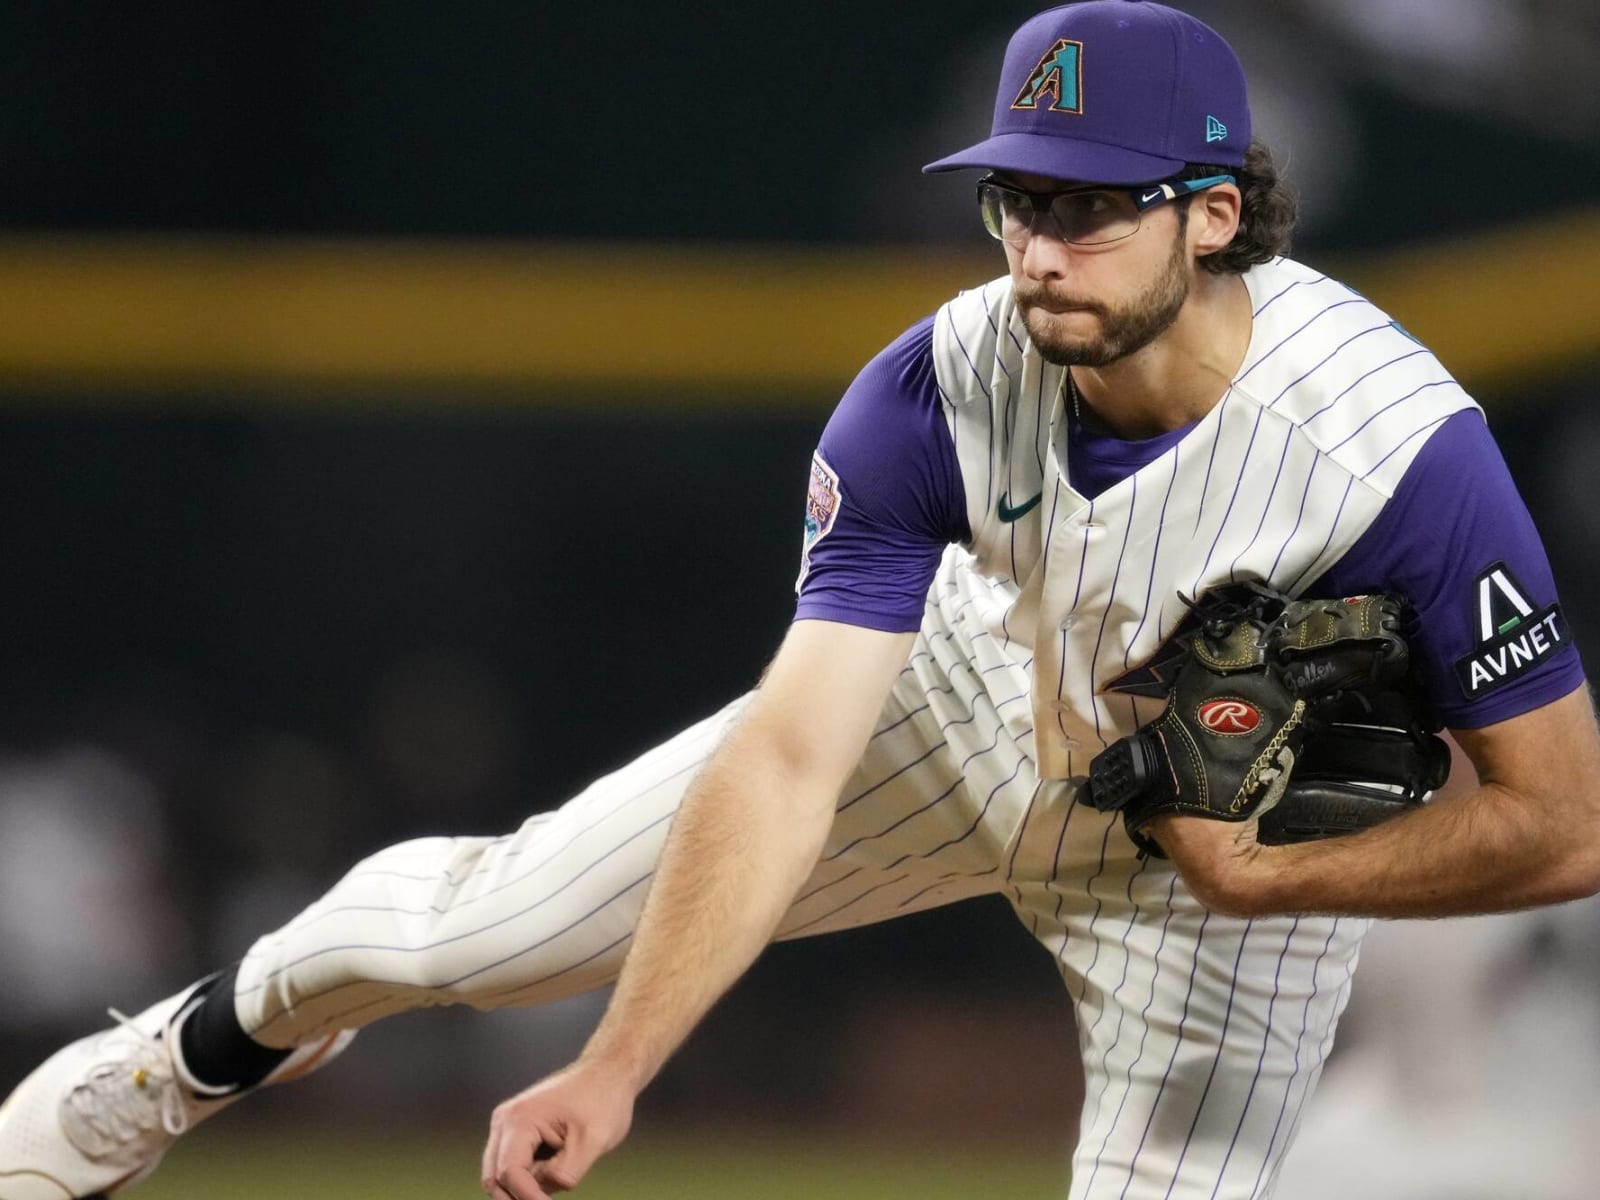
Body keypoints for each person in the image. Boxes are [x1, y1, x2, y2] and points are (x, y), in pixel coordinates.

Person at [5, 3, 1599, 1198]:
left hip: (1212, 882)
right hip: (974, 708)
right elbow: (785, 758)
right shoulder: (932, 384)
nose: (1040, 249)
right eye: (1019, 200)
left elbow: (1568, 820)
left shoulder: (1395, 450)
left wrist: (1277, 884)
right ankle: (187, 1053)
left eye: (1091, 205)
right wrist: (615, 1069)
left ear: (1217, 213)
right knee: (483, 930)